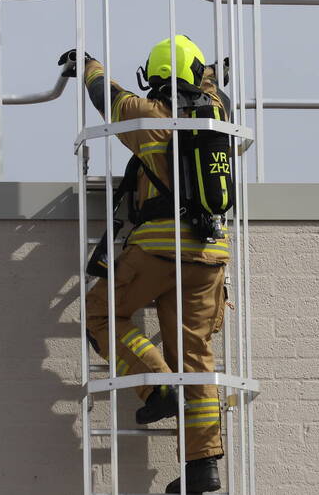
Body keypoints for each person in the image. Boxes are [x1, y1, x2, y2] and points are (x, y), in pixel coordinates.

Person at [59, 35, 229, 494]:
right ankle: (203, 469)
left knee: (101, 313)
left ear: (152, 77)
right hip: (211, 255)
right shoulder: (220, 114)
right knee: (196, 360)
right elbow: (210, 84)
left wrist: (89, 64)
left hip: (156, 247)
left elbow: (106, 97)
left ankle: (155, 388)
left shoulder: (149, 116)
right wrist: (209, 72)